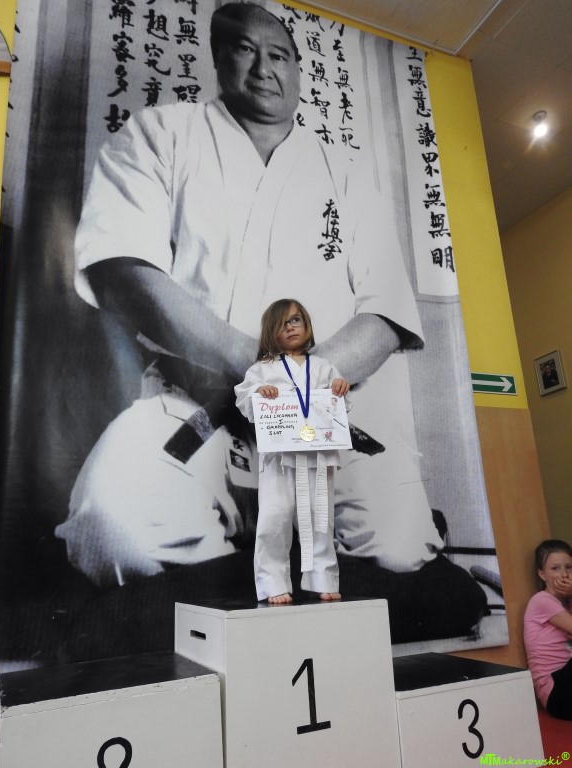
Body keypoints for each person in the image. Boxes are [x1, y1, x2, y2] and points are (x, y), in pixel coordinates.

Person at [55, 3, 444, 598]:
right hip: (195, 401)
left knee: (401, 548)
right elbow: (123, 270)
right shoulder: (161, 133)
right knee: (114, 533)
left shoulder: (345, 170)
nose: (264, 68)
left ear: (298, 70)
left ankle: (264, 561)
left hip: (323, 411)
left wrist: (301, 384)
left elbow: (386, 313)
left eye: (279, 55)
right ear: (218, 58)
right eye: (244, 49)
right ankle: (271, 564)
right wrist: (256, 366)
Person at [235, 299, 349, 604]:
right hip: (279, 458)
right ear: (270, 333)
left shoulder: (324, 367)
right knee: (274, 518)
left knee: (320, 518)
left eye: (295, 320)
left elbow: (339, 403)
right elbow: (244, 398)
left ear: (307, 324)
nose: (290, 327)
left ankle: (324, 578)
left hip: (317, 455)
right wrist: (259, 392)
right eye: (282, 324)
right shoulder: (262, 369)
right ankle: (273, 582)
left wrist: (339, 387)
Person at [523, 539, 572, 720]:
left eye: (569, 567)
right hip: (557, 693)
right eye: (555, 568)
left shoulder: (568, 601)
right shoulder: (541, 600)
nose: (564, 574)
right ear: (542, 574)